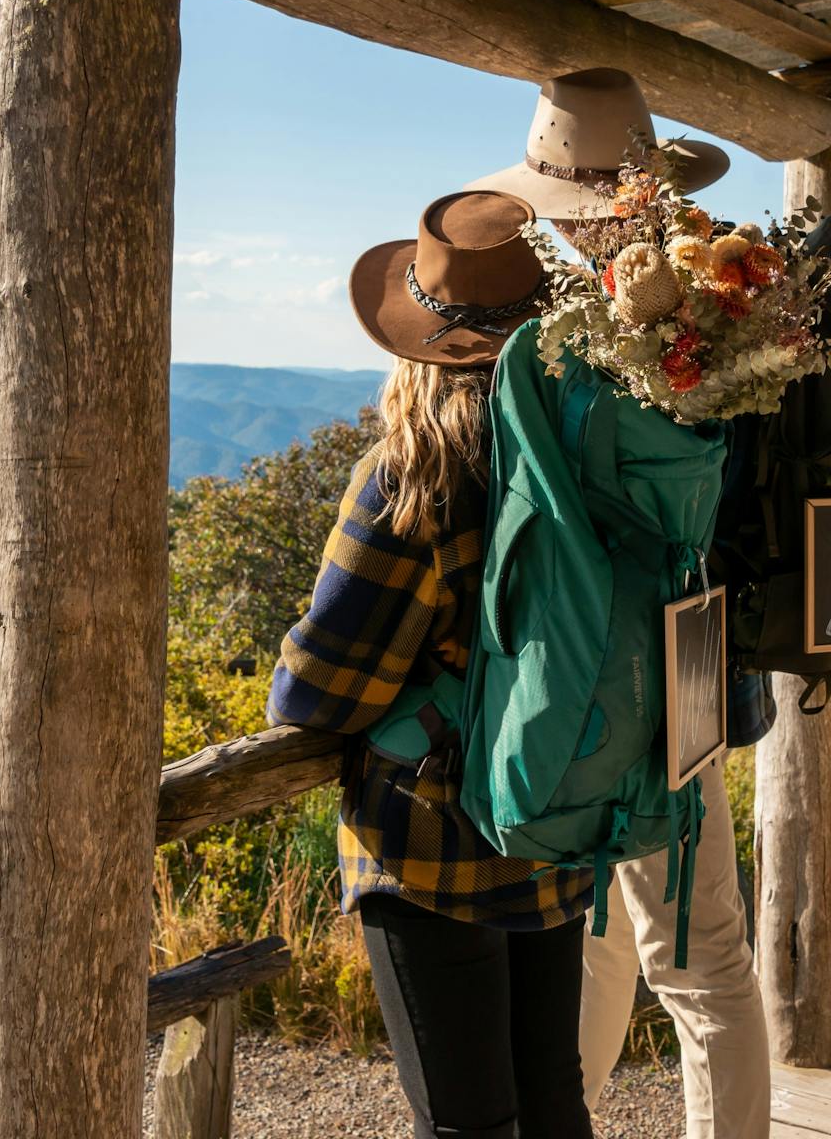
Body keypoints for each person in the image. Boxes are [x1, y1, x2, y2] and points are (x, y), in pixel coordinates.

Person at [469, 69, 775, 1139]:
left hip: (585, 658)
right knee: (704, 957)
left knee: (586, 934)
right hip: (689, 645)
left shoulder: (555, 346)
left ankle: (576, 1116)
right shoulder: (727, 318)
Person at [266, 190, 594, 1139]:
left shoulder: (417, 470)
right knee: (552, 1097)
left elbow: (322, 687)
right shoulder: (588, 450)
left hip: (435, 843)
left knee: (466, 1122)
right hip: (560, 809)